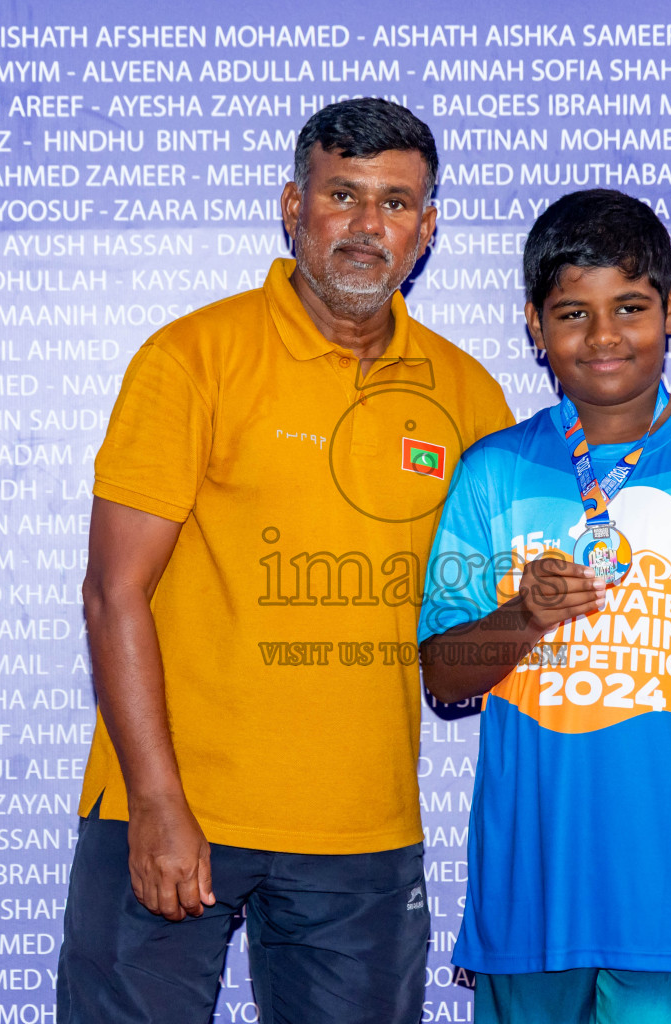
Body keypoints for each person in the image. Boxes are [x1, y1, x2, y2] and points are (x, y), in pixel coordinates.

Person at [58, 98, 514, 1024]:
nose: (365, 226)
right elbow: (114, 594)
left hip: (362, 833)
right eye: (341, 194)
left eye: (394, 203)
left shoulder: (469, 394)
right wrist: (155, 801)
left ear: (426, 231)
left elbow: (511, 596)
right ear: (292, 207)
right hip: (175, 809)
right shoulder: (193, 357)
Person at [418, 189, 671, 1024]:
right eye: (573, 312)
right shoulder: (492, 473)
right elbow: (443, 674)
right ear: (535, 326)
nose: (604, 337)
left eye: (631, 308)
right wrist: (523, 617)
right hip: (532, 904)